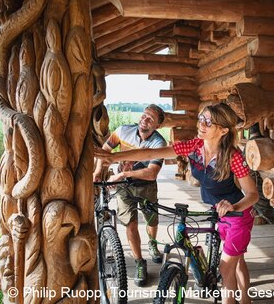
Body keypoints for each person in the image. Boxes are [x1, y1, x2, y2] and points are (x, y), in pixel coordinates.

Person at [95, 103, 259, 304]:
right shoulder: (195, 147)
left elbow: (252, 194)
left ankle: (243, 300)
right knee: (237, 259)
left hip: (237, 215)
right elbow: (151, 154)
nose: (201, 124)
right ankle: (246, 299)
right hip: (217, 212)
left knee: (226, 268)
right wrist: (114, 157)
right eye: (201, 118)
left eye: (208, 121)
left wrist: (234, 207)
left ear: (223, 130)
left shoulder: (233, 156)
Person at [93, 104, 167, 287]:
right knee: (130, 224)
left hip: (146, 186)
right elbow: (105, 151)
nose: (145, 119)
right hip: (124, 187)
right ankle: (140, 262)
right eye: (144, 115)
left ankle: (152, 242)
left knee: (152, 220)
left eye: (151, 118)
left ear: (157, 126)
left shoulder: (159, 143)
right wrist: (97, 171)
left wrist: (123, 174)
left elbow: (151, 173)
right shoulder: (123, 131)